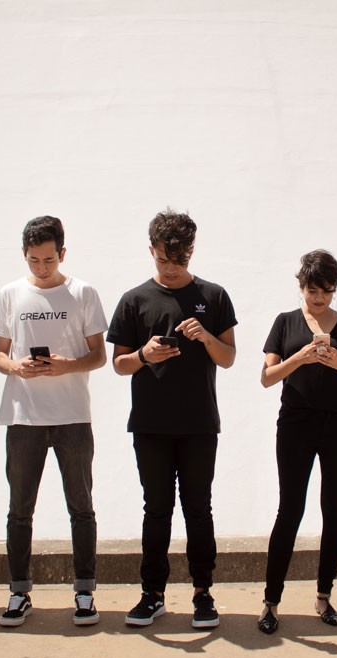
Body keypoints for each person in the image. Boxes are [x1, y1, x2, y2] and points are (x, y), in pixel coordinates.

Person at [107, 208, 237, 629]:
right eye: (163, 260)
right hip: (150, 425)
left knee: (198, 509)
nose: (171, 268)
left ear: (192, 252)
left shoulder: (214, 296)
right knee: (156, 509)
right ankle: (153, 594)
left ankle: (203, 593)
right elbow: (119, 365)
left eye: (179, 260)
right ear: (151, 250)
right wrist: (144, 355)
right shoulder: (134, 299)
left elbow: (230, 357)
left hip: (200, 424)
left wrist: (206, 336)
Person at [0, 215, 108, 627]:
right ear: (24, 255)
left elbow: (99, 356)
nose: (42, 267)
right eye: (34, 260)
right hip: (23, 417)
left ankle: (85, 592)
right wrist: (16, 367)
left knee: (82, 507)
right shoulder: (9, 294)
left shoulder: (83, 292)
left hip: (73, 416)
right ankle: (19, 592)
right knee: (19, 509)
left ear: (63, 253)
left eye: (49, 259)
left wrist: (66, 366)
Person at [256, 250, 337, 635]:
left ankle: (324, 596)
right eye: (312, 290)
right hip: (296, 423)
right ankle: (271, 601)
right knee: (290, 508)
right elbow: (268, 377)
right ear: (301, 286)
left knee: (334, 507)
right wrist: (302, 356)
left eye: (327, 291)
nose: (319, 298)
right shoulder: (285, 323)